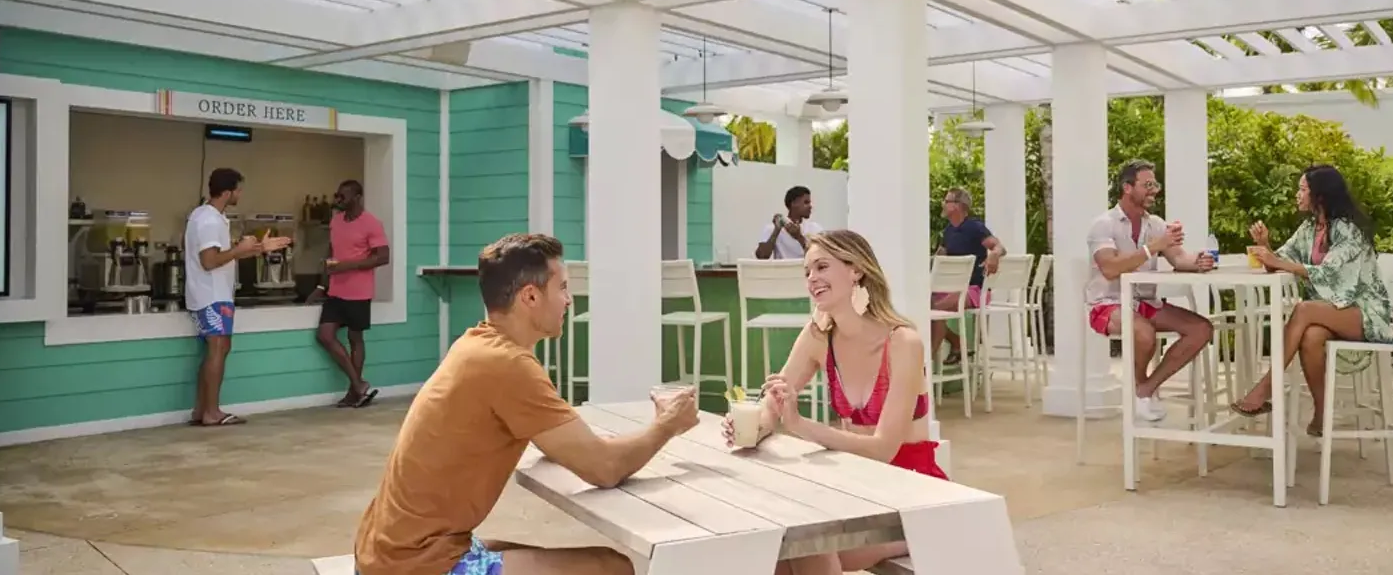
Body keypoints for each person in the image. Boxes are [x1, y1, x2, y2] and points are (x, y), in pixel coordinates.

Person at [355, 233, 700, 575]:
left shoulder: (475, 345)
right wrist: (668, 424)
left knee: (547, 557)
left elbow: (571, 447)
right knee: (611, 568)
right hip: (415, 565)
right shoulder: (509, 365)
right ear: (531, 296)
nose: (569, 300)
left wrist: (596, 448)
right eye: (562, 287)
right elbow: (605, 468)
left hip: (387, 552)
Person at [723, 229, 935, 575]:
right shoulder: (818, 337)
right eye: (807, 271)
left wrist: (799, 425)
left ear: (856, 270)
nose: (812, 278)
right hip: (858, 483)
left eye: (822, 267)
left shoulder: (903, 343)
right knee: (773, 549)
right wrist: (752, 429)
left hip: (912, 490)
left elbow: (883, 449)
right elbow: (773, 403)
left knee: (808, 545)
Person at [1229, 165, 1393, 436]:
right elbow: (1281, 262)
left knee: (1304, 310)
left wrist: (1276, 261)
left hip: (1365, 313)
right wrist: (1265, 246)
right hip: (1332, 312)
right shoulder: (1309, 228)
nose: (1297, 194)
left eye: (1302, 189)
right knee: (1310, 336)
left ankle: (1265, 388)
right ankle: (1322, 412)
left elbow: (1329, 272)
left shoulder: (1347, 230)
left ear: (1320, 195)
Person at [1086, 160, 1216, 422]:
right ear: (1127, 187)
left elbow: (1179, 258)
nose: (1154, 190)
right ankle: (1140, 390)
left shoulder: (1155, 224)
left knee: (1202, 329)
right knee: (1143, 332)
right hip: (1107, 304)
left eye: (1155, 184)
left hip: (1145, 302)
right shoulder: (1103, 224)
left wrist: (1198, 261)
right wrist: (1152, 248)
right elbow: (1110, 268)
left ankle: (1144, 389)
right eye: (1147, 185)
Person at [184, 168, 289, 427]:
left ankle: (201, 410)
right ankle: (211, 412)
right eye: (238, 190)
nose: (240, 195)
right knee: (217, 349)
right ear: (227, 192)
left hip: (216, 294)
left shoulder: (208, 216)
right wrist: (240, 249)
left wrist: (258, 248)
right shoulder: (208, 220)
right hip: (211, 295)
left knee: (220, 348)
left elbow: (225, 254)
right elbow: (209, 261)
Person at [309, 180, 390, 408]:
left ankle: (353, 392)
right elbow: (332, 252)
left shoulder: (371, 223)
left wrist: (347, 266)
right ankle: (358, 384)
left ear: (357, 197)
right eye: (337, 195)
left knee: (355, 339)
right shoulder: (336, 221)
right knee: (324, 335)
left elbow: (383, 257)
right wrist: (321, 286)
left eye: (342, 196)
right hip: (336, 291)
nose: (338, 200)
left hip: (359, 292)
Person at [931, 187, 1007, 365]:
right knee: (926, 306)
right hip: (952, 289)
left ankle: (925, 364)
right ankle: (956, 342)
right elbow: (939, 257)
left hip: (975, 290)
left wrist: (994, 255)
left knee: (934, 310)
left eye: (947, 201)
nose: (943, 204)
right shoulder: (949, 231)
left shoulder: (975, 227)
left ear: (958, 206)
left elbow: (999, 247)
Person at [755, 185, 824, 259]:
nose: (810, 206)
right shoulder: (772, 228)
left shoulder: (815, 228)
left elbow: (820, 254)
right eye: (806, 202)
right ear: (793, 203)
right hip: (782, 267)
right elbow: (762, 256)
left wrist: (799, 237)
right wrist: (776, 230)